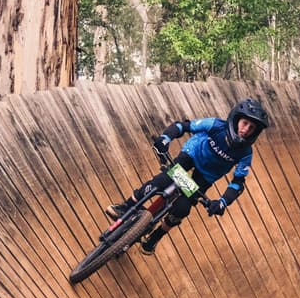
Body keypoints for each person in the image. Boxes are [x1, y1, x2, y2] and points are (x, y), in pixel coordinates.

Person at [105, 98, 271, 254]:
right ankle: (126, 206)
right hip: (191, 155)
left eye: (251, 128)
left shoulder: (245, 153)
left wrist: (222, 202)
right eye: (245, 123)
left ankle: (155, 237)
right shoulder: (216, 125)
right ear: (236, 119)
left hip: (205, 177)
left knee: (182, 208)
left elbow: (238, 183)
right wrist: (165, 139)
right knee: (161, 181)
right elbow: (183, 126)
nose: (246, 130)